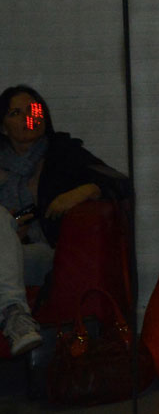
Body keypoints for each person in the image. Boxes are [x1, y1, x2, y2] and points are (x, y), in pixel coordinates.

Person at [1, 85, 132, 356]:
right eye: (17, 112)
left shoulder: (62, 153)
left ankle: (15, 315)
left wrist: (84, 190)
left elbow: (120, 183)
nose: (29, 118)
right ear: (2, 127)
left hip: (37, 255)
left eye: (33, 110)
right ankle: (15, 319)